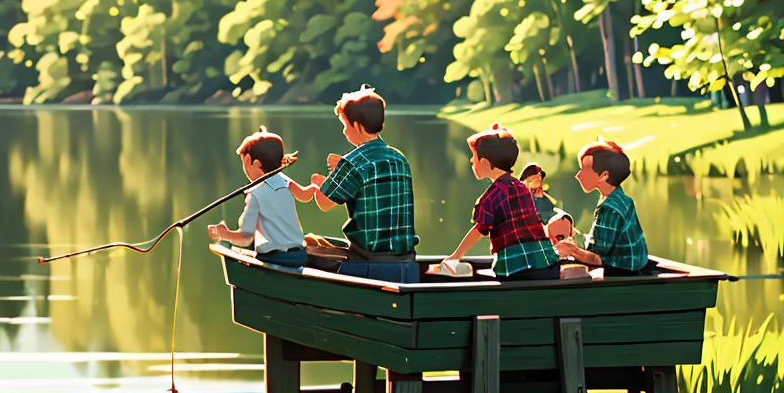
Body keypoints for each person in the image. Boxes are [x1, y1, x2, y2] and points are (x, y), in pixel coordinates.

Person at [303, 85, 419, 283]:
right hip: (405, 260)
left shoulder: (352, 162)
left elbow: (324, 203)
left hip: (366, 261)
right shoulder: (399, 159)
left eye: (345, 125)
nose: (344, 131)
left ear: (357, 126)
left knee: (305, 245)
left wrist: (321, 182)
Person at [438, 124, 560, 280]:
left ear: (486, 164)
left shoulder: (490, 197)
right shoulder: (522, 187)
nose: (471, 162)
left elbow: (479, 230)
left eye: (474, 158)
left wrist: (455, 256)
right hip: (543, 260)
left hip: (514, 267)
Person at [207, 126, 310, 267]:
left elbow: (245, 238)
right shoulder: (283, 180)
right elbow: (304, 195)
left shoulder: (255, 194)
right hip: (299, 255)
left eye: (245, 163)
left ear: (255, 163)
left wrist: (223, 234)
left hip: (277, 258)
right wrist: (314, 188)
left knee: (230, 246)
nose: (245, 170)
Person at [555, 140, 651, 275]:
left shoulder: (609, 209)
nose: (578, 176)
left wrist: (572, 250)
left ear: (604, 175)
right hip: (635, 268)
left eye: (584, 170)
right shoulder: (621, 198)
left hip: (622, 275)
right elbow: (602, 244)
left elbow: (598, 258)